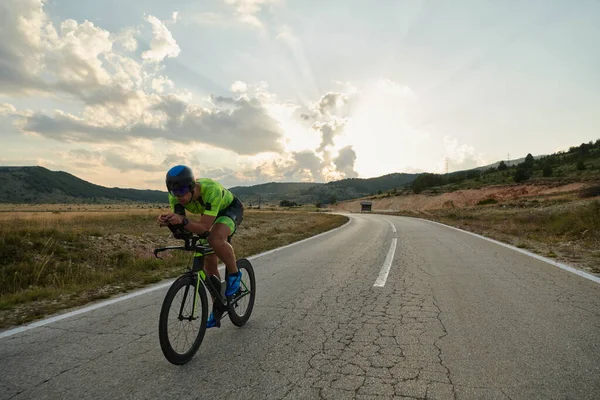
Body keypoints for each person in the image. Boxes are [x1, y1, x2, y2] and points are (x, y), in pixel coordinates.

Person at [157, 165, 244, 328]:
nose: (178, 196)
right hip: (209, 216)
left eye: (182, 190)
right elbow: (183, 226)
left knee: (215, 239)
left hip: (229, 210)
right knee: (209, 264)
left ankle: (234, 274)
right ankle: (218, 304)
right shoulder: (175, 197)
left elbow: (204, 227)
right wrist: (169, 222)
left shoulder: (211, 190)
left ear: (191, 186)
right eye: (174, 192)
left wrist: (182, 220)